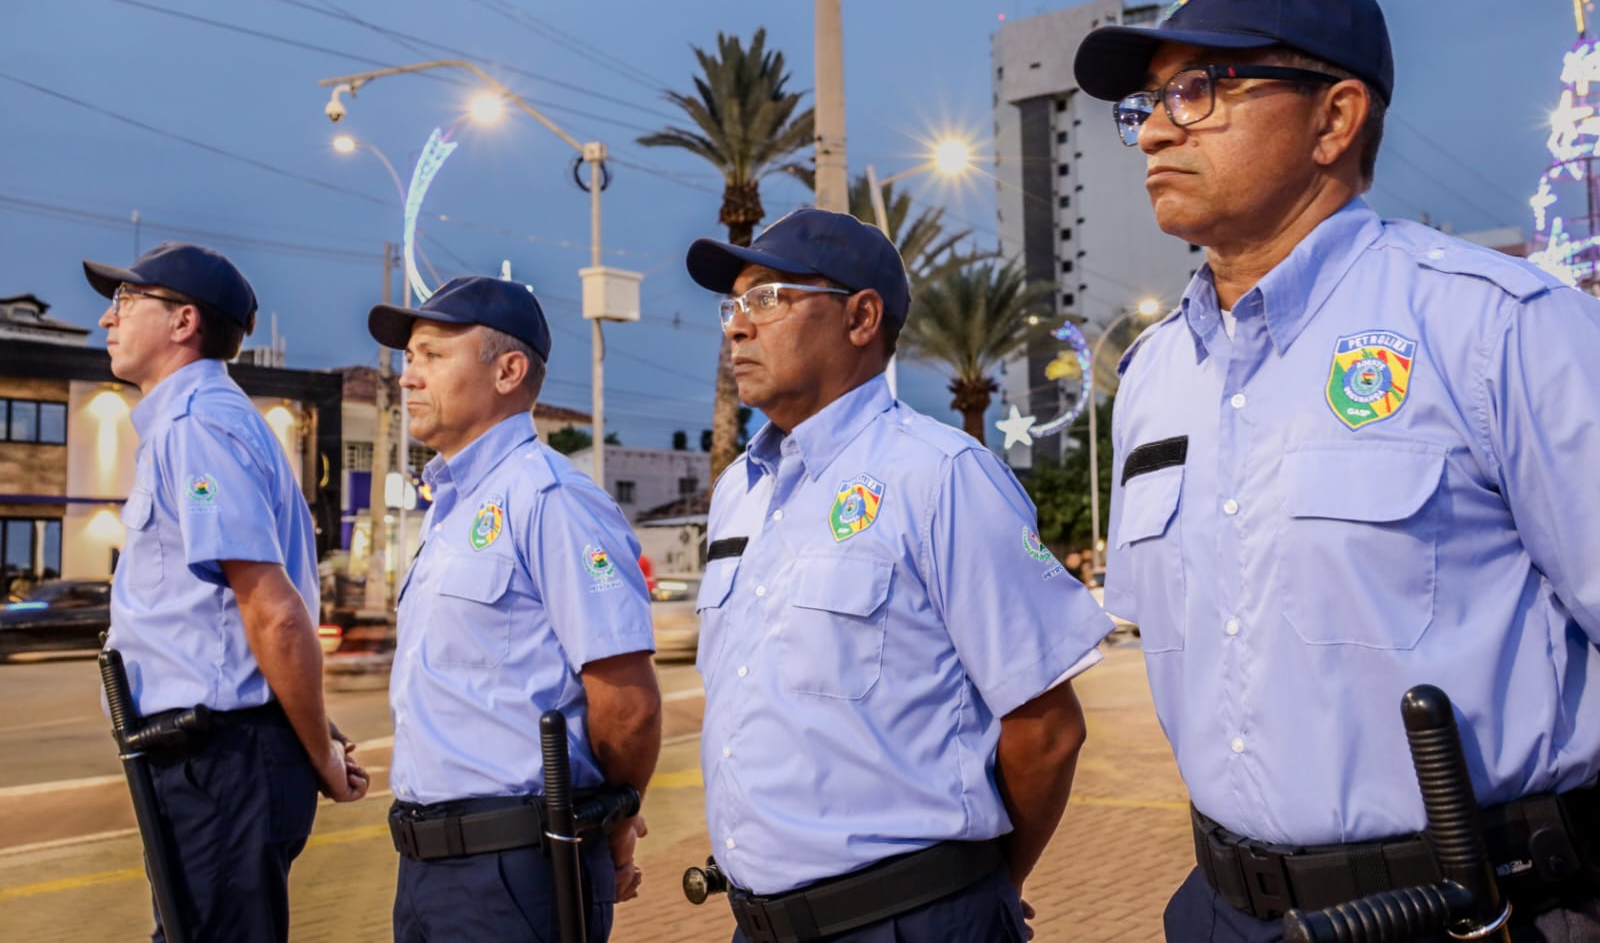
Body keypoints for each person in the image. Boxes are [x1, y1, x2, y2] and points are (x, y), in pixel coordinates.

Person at [1076, 0, 1600, 941]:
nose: (1151, 129)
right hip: (1226, 911)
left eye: (1200, 90)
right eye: (1146, 103)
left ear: (1334, 117)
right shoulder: (1151, 377)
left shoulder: (1498, 329)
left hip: (1481, 911)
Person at [684, 208, 1115, 942]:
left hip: (909, 920)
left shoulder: (939, 476)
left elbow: (1045, 730)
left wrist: (985, 887)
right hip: (757, 923)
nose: (736, 326)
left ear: (860, 317)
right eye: (732, 305)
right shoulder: (739, 492)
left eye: (767, 298)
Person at [83, 242, 368, 943]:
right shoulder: (198, 423)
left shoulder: (200, 426)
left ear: (184, 322)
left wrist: (319, 754)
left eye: (124, 302)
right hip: (212, 758)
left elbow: (273, 611)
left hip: (221, 761)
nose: (104, 320)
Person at [368, 275, 661, 943]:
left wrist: (610, 816)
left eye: (433, 354)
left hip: (514, 870)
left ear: (508, 370)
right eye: (407, 358)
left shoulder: (550, 499)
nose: (408, 377)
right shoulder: (449, 509)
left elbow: (628, 702)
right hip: (426, 870)